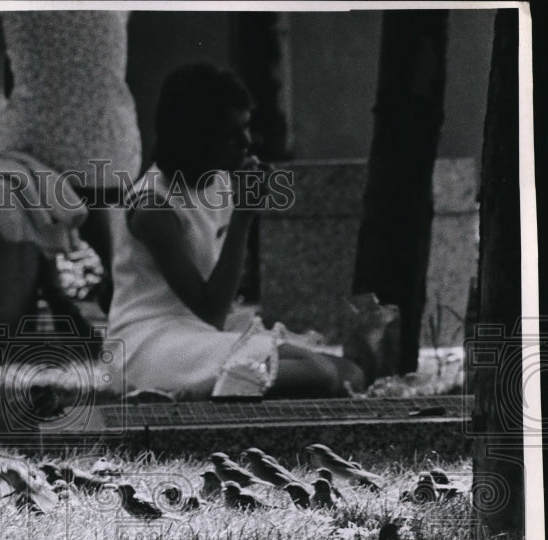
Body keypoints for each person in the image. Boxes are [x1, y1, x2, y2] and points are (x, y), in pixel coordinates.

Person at [107, 63, 367, 399]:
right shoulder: (153, 207)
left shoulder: (218, 180)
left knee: (349, 372)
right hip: (152, 342)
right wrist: (244, 215)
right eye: (231, 134)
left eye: (246, 128)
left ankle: (216, 388)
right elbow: (212, 308)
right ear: (197, 137)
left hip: (200, 332)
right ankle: (188, 394)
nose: (246, 142)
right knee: (317, 373)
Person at [0, 10, 143, 323]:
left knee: (21, 165)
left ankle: (55, 292)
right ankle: (117, 274)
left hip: (39, 142)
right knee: (78, 167)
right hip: (116, 143)